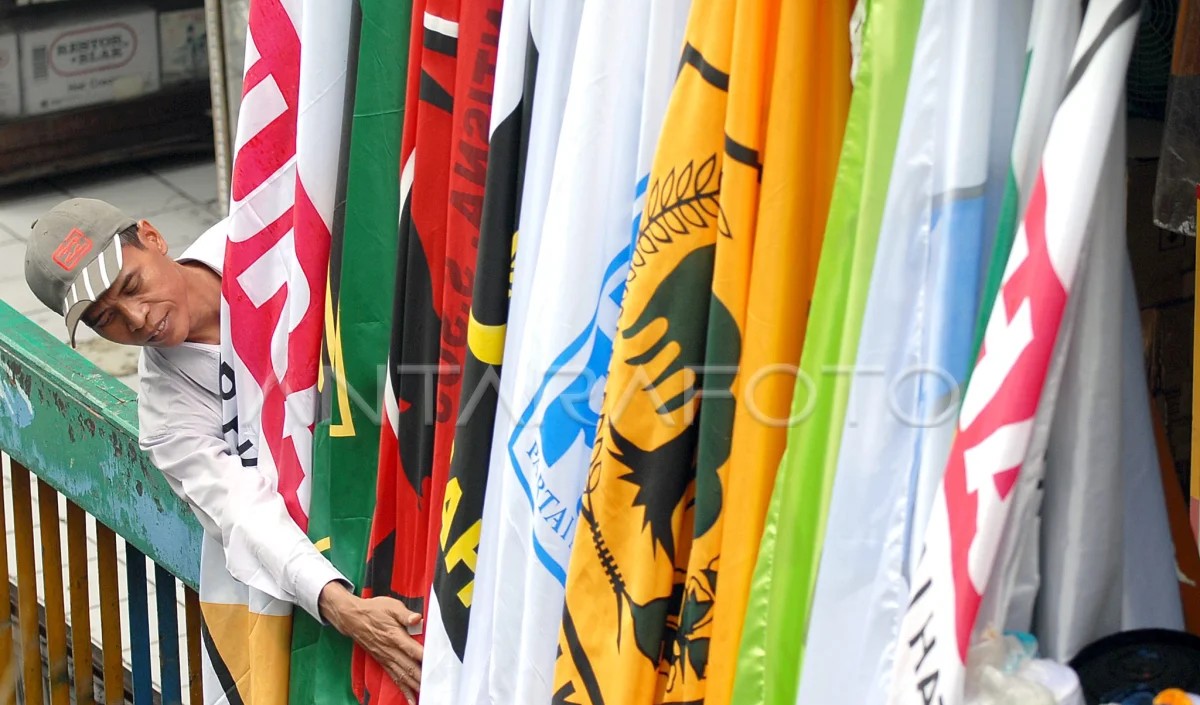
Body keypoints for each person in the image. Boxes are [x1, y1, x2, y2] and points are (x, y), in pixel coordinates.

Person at [23, 198, 423, 697]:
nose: (139, 319)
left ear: (151, 236)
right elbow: (240, 511)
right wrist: (341, 606)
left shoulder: (269, 231)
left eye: (132, 286)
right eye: (107, 320)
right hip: (330, 572)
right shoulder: (166, 412)